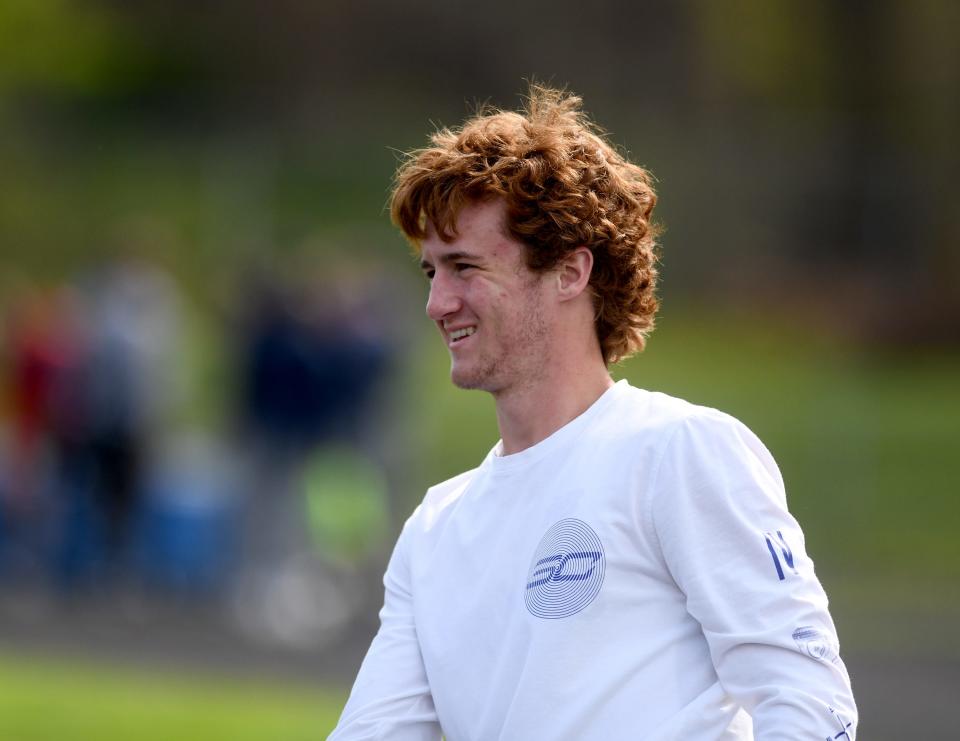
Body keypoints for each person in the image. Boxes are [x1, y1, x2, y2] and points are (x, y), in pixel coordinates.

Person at [329, 86, 857, 740]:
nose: (438, 303)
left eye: (463, 266)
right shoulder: (435, 527)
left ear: (571, 271)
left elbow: (809, 702)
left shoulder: (678, 452)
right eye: (430, 273)